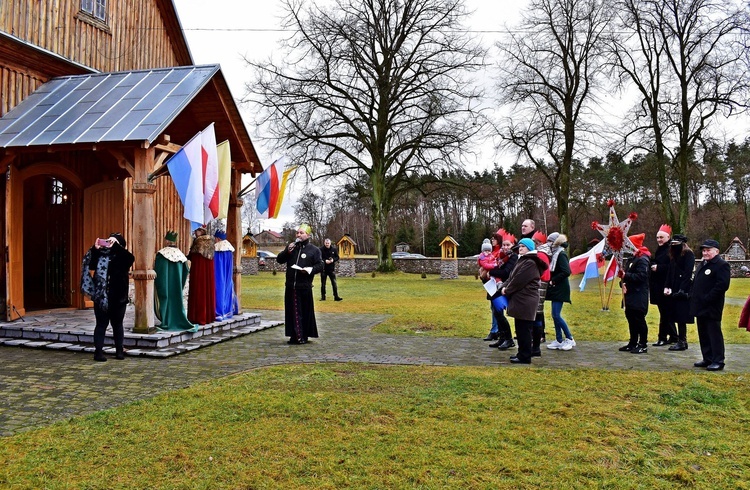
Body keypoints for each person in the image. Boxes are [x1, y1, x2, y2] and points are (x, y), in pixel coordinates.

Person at [81, 233, 135, 362]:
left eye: (114, 242)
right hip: (101, 297)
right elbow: (90, 264)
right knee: (101, 324)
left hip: (118, 297)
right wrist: (94, 249)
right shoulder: (101, 255)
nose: (110, 244)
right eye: (109, 241)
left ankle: (119, 351)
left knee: (117, 325)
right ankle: (98, 352)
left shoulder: (123, 256)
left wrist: (116, 246)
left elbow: (130, 259)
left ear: (120, 245)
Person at [499, 237, 547, 364]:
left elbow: (519, 280)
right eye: (519, 246)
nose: (520, 248)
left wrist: (506, 290)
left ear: (530, 248)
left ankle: (525, 356)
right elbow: (512, 277)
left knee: (524, 329)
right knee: (520, 328)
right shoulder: (523, 260)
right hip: (521, 299)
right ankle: (521, 353)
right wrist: (504, 286)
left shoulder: (530, 262)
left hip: (526, 300)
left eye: (523, 246)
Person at [277, 224, 325, 344]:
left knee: (303, 312)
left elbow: (320, 265)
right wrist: (287, 251)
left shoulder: (314, 250)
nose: (298, 235)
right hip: (291, 286)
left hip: (304, 286)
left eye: (301, 233)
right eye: (297, 233)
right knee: (292, 312)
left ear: (308, 235)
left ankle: (303, 335)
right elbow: (280, 259)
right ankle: (295, 335)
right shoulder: (292, 248)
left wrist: (309, 270)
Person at [690, 239, 730, 371]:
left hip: (712, 305)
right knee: (703, 332)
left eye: (708, 250)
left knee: (713, 333)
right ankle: (707, 357)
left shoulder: (721, 265)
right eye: (704, 250)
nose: (705, 252)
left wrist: (708, 298)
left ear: (716, 251)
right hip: (700, 305)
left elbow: (722, 285)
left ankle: (718, 360)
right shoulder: (703, 264)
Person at [154, 231, 196, 332]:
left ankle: (167, 321)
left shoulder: (162, 254)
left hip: (165, 284)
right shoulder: (180, 255)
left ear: (167, 241)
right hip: (176, 286)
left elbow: (158, 270)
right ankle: (178, 320)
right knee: (176, 300)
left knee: (165, 299)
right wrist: (180, 283)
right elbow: (186, 270)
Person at [619, 234, 650, 354]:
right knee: (631, 318)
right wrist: (622, 283)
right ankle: (633, 342)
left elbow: (642, 276)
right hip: (630, 295)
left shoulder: (643, 259)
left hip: (638, 295)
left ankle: (643, 344)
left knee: (639, 320)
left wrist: (626, 276)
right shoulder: (633, 258)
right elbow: (626, 276)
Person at [487, 231, 518, 350]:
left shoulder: (513, 257)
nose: (505, 247)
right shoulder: (501, 257)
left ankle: (509, 339)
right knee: (496, 313)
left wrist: (491, 272)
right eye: (504, 245)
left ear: (512, 245)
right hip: (495, 287)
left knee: (500, 313)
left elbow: (506, 272)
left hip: (504, 288)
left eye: (508, 245)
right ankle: (502, 337)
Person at [663, 234, 694, 351]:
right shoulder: (673, 255)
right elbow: (670, 272)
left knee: (681, 316)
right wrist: (667, 285)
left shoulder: (688, 254)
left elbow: (687, 273)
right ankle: (680, 339)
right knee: (674, 314)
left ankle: (682, 340)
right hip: (674, 287)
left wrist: (682, 289)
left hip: (683, 289)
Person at [545, 233, 576, 351]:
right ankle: (558, 339)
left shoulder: (561, 254)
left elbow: (566, 271)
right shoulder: (554, 254)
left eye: (549, 241)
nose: (547, 243)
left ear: (554, 242)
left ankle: (569, 338)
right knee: (554, 315)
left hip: (560, 288)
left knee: (556, 315)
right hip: (555, 288)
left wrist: (553, 281)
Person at [650, 224, 678, 346]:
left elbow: (672, 267)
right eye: (657, 237)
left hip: (666, 285)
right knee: (666, 312)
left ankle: (663, 337)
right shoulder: (660, 249)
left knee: (665, 312)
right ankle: (673, 336)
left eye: (661, 237)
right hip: (658, 285)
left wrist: (659, 267)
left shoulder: (671, 249)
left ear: (668, 237)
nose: (659, 240)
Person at [187, 226, 216, 325]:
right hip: (207, 273)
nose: (195, 232)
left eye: (198, 230)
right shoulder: (211, 241)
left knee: (199, 290)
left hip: (199, 272)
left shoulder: (199, 242)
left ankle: (199, 316)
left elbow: (192, 256)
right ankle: (208, 315)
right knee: (207, 290)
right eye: (195, 230)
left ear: (203, 231)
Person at [531, 230, 551, 353]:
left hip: (539, 284)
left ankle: (536, 345)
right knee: (537, 315)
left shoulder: (541, 254)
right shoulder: (542, 253)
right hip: (541, 283)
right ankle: (535, 344)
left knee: (536, 315)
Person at [214, 229, 239, 321]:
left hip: (219, 272)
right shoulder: (229, 249)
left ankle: (219, 312)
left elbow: (216, 265)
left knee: (219, 286)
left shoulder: (217, 248)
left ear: (217, 238)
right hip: (227, 272)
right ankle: (227, 310)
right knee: (227, 287)